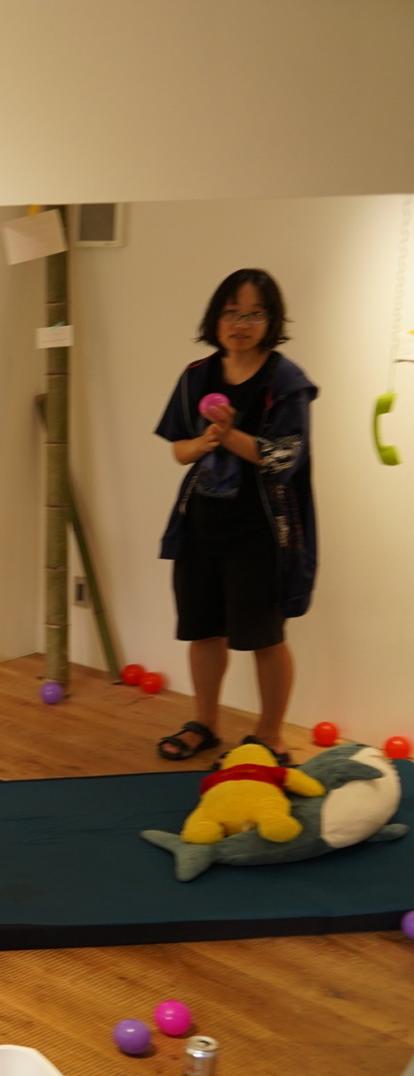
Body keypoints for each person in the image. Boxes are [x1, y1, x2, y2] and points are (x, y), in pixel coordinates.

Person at [152, 269, 318, 765]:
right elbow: (179, 450)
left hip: (261, 530)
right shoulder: (196, 375)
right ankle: (205, 723)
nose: (241, 324)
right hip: (201, 524)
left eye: (253, 314)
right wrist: (204, 441)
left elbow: (284, 457)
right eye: (231, 312)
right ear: (216, 317)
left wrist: (228, 435)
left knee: (265, 637)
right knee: (202, 629)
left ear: (271, 320)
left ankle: (271, 736)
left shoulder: (286, 381)